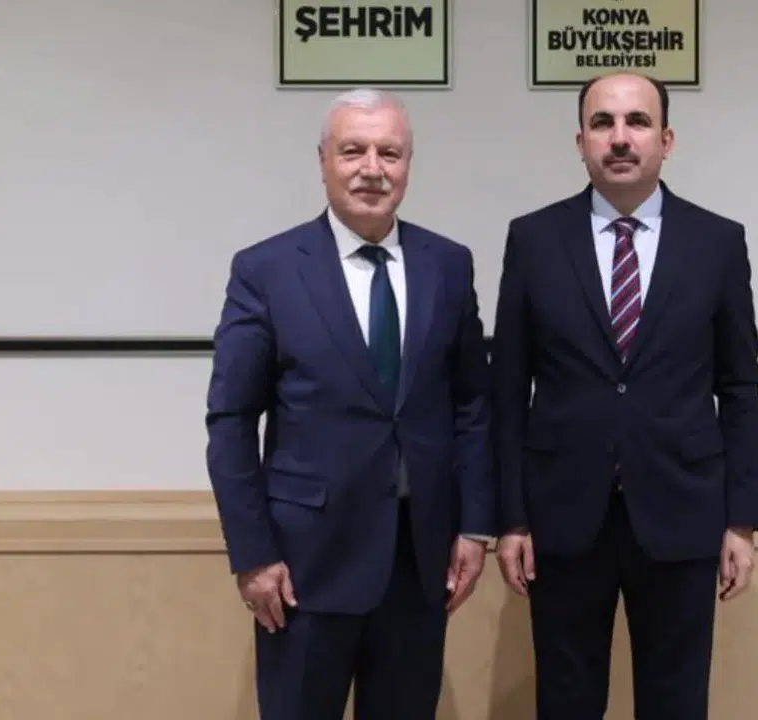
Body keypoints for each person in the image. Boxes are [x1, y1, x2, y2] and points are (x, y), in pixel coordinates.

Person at [205, 88, 495, 720]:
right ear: (323, 161)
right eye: (353, 151)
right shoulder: (267, 269)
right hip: (302, 567)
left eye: (389, 153)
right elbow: (231, 422)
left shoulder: (448, 265)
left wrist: (475, 526)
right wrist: (253, 555)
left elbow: (472, 404)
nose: (372, 168)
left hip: (419, 562)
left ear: (409, 163)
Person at [491, 71, 758, 720]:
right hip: (562, 516)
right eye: (603, 123)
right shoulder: (533, 240)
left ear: (666, 140)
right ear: (580, 141)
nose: (620, 138)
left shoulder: (717, 243)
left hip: (682, 513)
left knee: (676, 703)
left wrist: (741, 520)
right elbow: (506, 389)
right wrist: (511, 518)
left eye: (637, 122)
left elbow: (739, 387)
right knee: (566, 701)